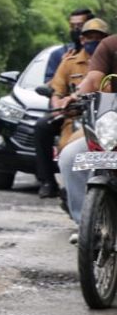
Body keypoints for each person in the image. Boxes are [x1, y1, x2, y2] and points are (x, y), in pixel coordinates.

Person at [35, 18, 99, 198]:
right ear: (82, 40)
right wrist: (61, 106)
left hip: (105, 116)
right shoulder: (69, 61)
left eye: (98, 38)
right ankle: (50, 182)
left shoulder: (110, 60)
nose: (93, 42)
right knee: (62, 144)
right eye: (89, 37)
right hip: (74, 115)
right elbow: (57, 90)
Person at [58, 18, 112, 229]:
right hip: (108, 128)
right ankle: (87, 226)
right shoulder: (109, 47)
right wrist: (75, 96)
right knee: (71, 157)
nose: (94, 41)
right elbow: (92, 80)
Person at [43, 8, 94, 83]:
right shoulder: (59, 54)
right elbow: (48, 87)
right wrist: (63, 66)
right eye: (72, 26)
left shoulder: (105, 51)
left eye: (80, 25)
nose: (76, 29)